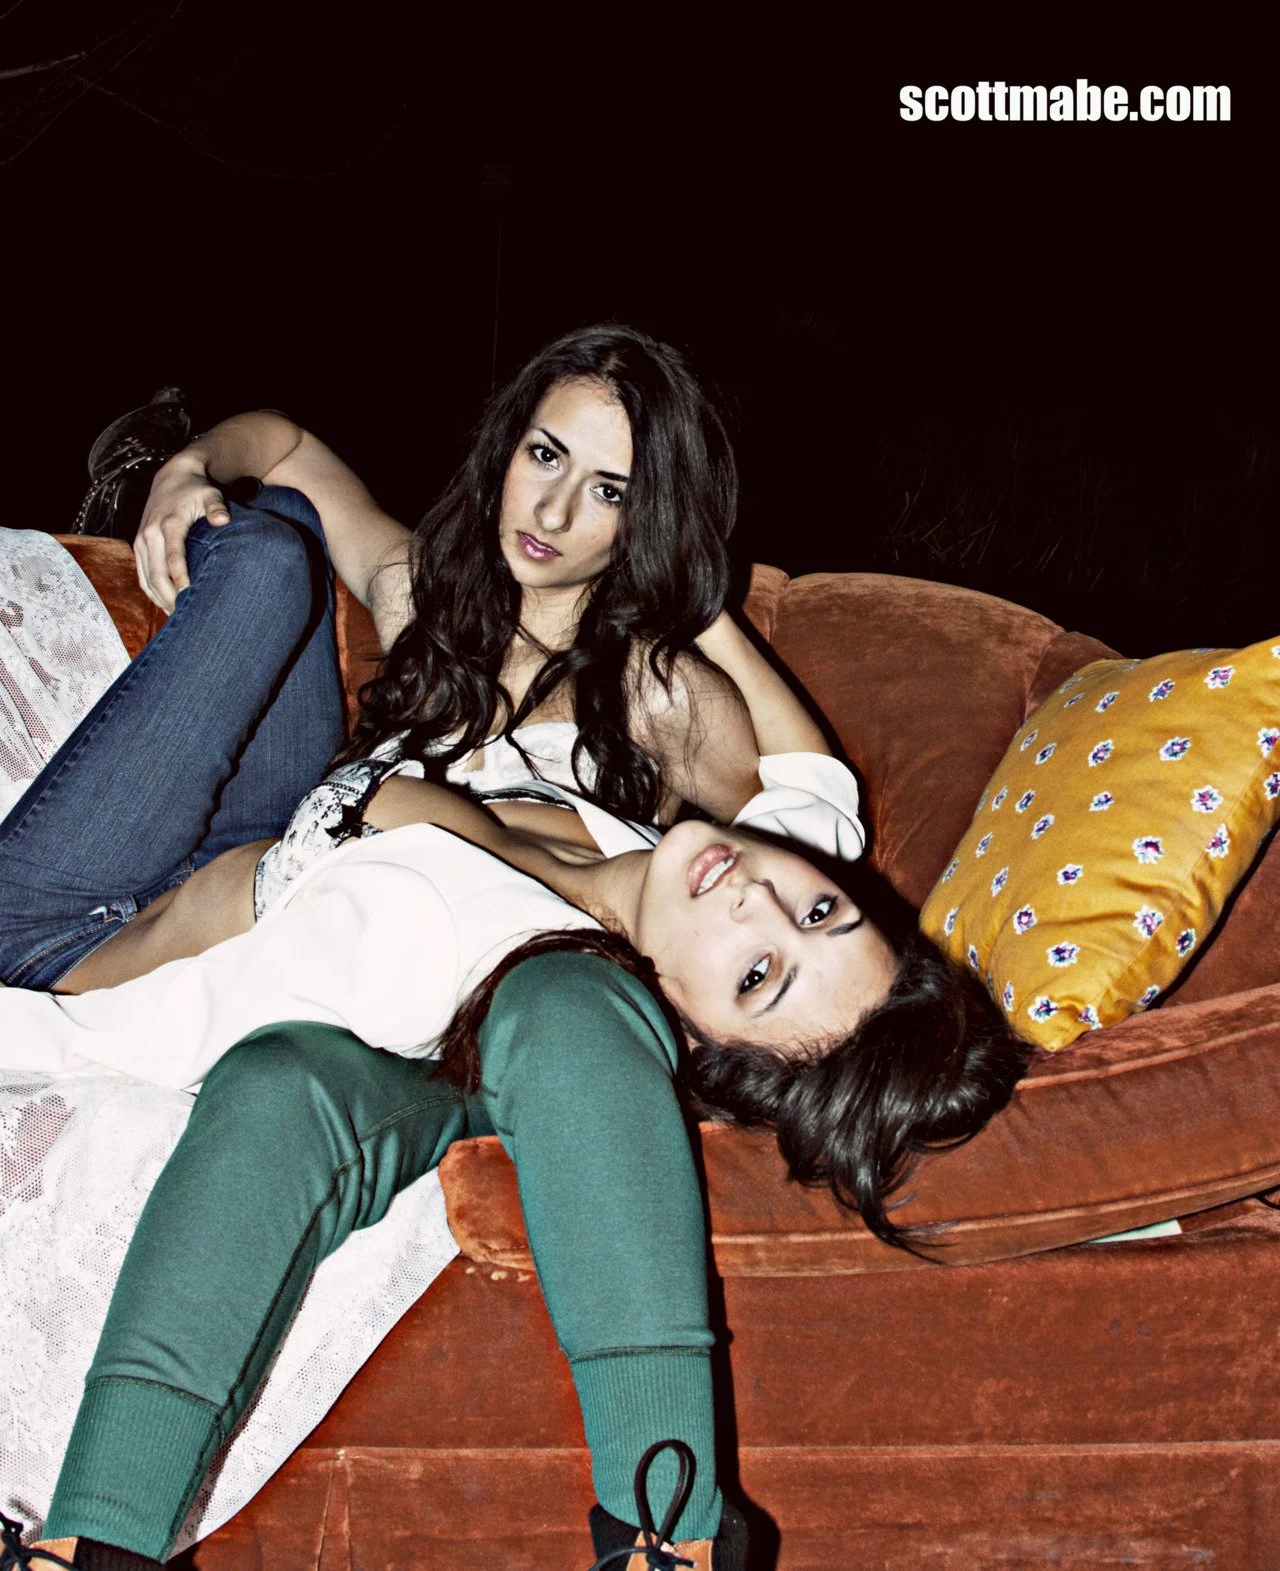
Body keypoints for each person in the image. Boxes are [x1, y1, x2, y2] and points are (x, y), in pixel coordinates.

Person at [5, 762, 1024, 1571]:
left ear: (706, 1046)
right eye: (819, 912)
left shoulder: (594, 994)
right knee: (276, 1081)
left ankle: (668, 1531)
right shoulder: (628, 813)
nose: (760, 896)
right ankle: (91, 1541)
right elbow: (791, 756)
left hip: (545, 1058)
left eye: (757, 975)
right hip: (388, 1063)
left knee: (564, 999)